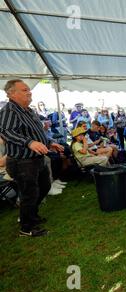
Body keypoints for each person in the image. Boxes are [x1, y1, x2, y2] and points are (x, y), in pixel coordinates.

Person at [0, 79, 65, 237]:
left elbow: (36, 133)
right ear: (12, 94)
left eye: (28, 89)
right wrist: (29, 143)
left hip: (36, 159)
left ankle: (31, 215)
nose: (29, 92)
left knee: (44, 187)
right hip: (22, 161)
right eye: (24, 90)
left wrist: (49, 143)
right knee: (29, 193)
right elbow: (6, 132)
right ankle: (26, 227)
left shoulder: (28, 110)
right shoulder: (9, 110)